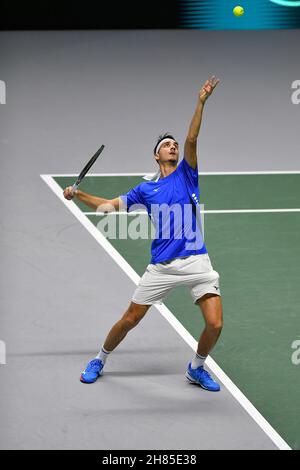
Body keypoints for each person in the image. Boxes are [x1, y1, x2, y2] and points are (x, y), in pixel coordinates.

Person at [63, 76, 223, 392]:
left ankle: (196, 367)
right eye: (166, 144)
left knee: (215, 323)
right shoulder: (145, 189)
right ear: (156, 155)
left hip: (197, 262)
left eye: (174, 143)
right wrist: (78, 195)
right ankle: (100, 358)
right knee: (130, 319)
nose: (173, 145)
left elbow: (192, 138)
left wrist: (201, 102)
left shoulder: (188, 176)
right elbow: (108, 207)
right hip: (162, 266)